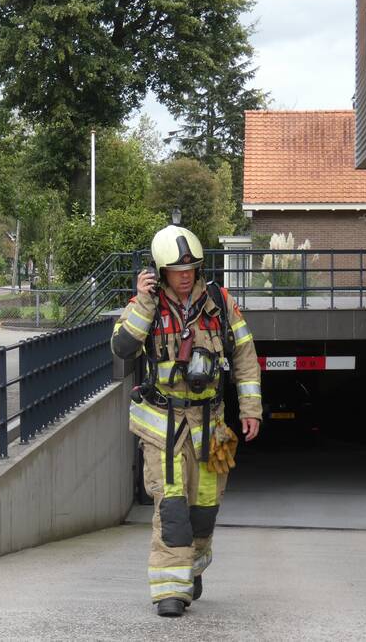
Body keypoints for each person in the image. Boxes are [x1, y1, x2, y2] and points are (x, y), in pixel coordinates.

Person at [111, 224, 262, 618]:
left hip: (210, 425)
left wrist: (250, 410)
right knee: (172, 508)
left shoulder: (220, 302)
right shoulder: (146, 304)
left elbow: (245, 356)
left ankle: (190, 568)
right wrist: (144, 304)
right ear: (160, 271)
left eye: (191, 268)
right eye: (177, 270)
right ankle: (169, 593)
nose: (185, 275)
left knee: (204, 510)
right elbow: (123, 349)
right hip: (163, 424)